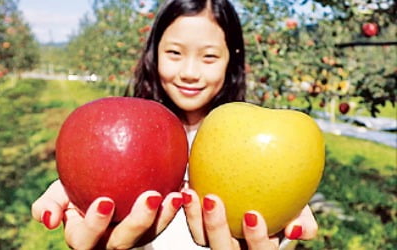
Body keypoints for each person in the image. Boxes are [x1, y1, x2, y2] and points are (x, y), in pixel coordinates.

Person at [31, 0, 318, 249]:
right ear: (154, 54)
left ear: (232, 59)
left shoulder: (257, 143)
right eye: (174, 53)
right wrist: (83, 184)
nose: (190, 72)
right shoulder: (123, 136)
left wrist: (278, 229)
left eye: (209, 56)